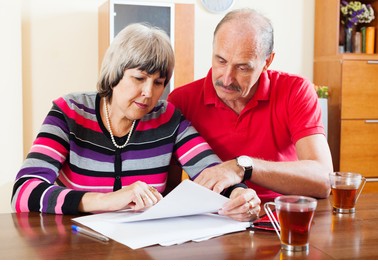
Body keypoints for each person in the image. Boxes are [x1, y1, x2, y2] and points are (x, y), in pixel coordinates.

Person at [11, 23, 260, 222]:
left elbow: (211, 172)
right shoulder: (69, 113)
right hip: (75, 245)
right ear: (115, 72)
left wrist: (239, 195)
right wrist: (107, 200)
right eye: (139, 78)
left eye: (159, 82)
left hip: (143, 247)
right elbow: (24, 191)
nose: (149, 93)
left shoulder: (168, 118)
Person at [168, 8, 333, 202]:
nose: (227, 79)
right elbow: (168, 191)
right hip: (215, 217)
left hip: (279, 216)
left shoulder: (295, 90)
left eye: (243, 67)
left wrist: (243, 167)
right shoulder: (181, 101)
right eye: (220, 61)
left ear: (267, 62)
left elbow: (324, 180)